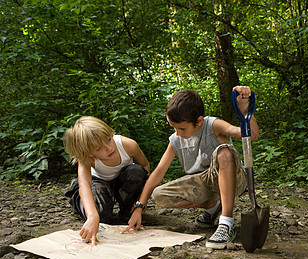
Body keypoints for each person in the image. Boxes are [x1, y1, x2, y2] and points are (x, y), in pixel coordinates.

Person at [122, 86, 259, 249]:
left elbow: (250, 134)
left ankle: (226, 223)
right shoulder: (176, 140)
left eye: (181, 128)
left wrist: (245, 109)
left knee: (224, 152)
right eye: (173, 127)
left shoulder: (213, 125)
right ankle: (212, 205)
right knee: (158, 195)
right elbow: (158, 173)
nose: (177, 133)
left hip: (233, 178)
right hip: (204, 184)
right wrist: (140, 206)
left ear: (199, 121)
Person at [63, 116, 150, 245]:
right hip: (99, 183)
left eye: (109, 140)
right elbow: (85, 185)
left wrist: (139, 203)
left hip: (122, 182)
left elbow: (145, 168)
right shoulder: (87, 159)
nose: (109, 148)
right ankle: (78, 199)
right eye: (99, 148)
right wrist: (92, 216)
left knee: (136, 171)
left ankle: (127, 211)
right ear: (89, 152)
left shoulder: (128, 145)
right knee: (101, 218)